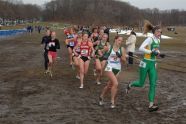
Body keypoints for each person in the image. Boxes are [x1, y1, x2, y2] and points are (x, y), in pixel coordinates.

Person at [126, 20, 162, 112]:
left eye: (161, 32)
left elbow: (156, 50)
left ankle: (151, 105)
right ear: (154, 32)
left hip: (153, 64)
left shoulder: (158, 40)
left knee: (153, 84)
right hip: (145, 63)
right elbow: (141, 48)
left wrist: (159, 54)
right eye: (158, 31)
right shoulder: (149, 39)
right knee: (141, 83)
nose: (160, 33)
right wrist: (151, 52)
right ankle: (130, 84)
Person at [99, 35, 126, 108]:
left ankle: (101, 96)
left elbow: (124, 61)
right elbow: (99, 52)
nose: (120, 42)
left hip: (117, 69)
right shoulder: (109, 47)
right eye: (119, 40)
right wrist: (103, 57)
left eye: (121, 41)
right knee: (116, 83)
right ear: (115, 40)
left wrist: (120, 56)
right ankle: (112, 101)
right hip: (109, 67)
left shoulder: (122, 49)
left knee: (109, 85)